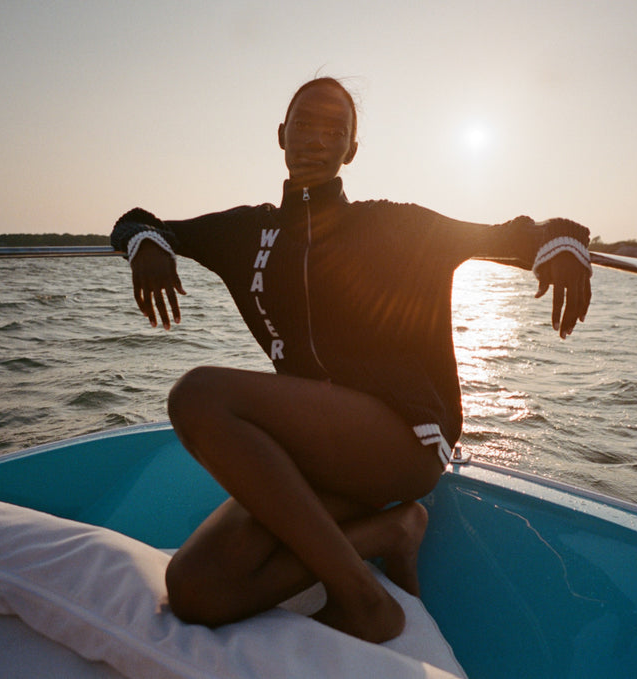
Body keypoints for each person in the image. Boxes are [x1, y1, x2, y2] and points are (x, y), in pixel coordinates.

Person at [110, 77, 592, 643]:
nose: (316, 139)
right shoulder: (248, 231)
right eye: (304, 125)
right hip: (320, 448)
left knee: (198, 396)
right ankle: (391, 531)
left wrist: (560, 247)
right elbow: (139, 221)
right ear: (281, 135)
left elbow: (512, 232)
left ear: (351, 151)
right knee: (195, 588)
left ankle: (361, 600)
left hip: (404, 434)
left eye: (334, 130)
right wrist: (147, 245)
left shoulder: (394, 224)